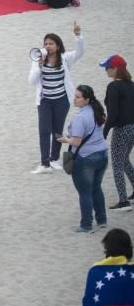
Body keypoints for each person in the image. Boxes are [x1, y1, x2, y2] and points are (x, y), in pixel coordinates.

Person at [29, 23, 85, 173]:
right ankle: (44, 163)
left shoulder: (65, 58)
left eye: (51, 43)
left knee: (57, 130)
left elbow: (80, 53)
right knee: (44, 130)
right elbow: (31, 81)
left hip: (62, 100)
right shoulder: (38, 60)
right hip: (45, 101)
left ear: (58, 46)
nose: (48, 46)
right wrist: (39, 67)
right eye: (46, 43)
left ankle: (54, 159)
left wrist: (78, 36)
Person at [59, 85, 110, 233]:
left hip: (86, 157)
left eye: (78, 97)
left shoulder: (81, 117)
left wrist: (65, 139)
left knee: (85, 192)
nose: (74, 99)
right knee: (96, 188)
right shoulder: (97, 111)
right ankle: (102, 220)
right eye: (75, 96)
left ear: (86, 99)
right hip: (102, 154)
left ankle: (86, 225)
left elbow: (76, 141)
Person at [101, 55, 134, 210]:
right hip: (133, 128)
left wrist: (105, 130)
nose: (106, 71)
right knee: (125, 159)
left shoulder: (113, 87)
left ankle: (123, 201)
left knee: (117, 164)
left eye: (107, 68)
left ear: (115, 69)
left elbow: (113, 113)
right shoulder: (131, 85)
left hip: (122, 128)